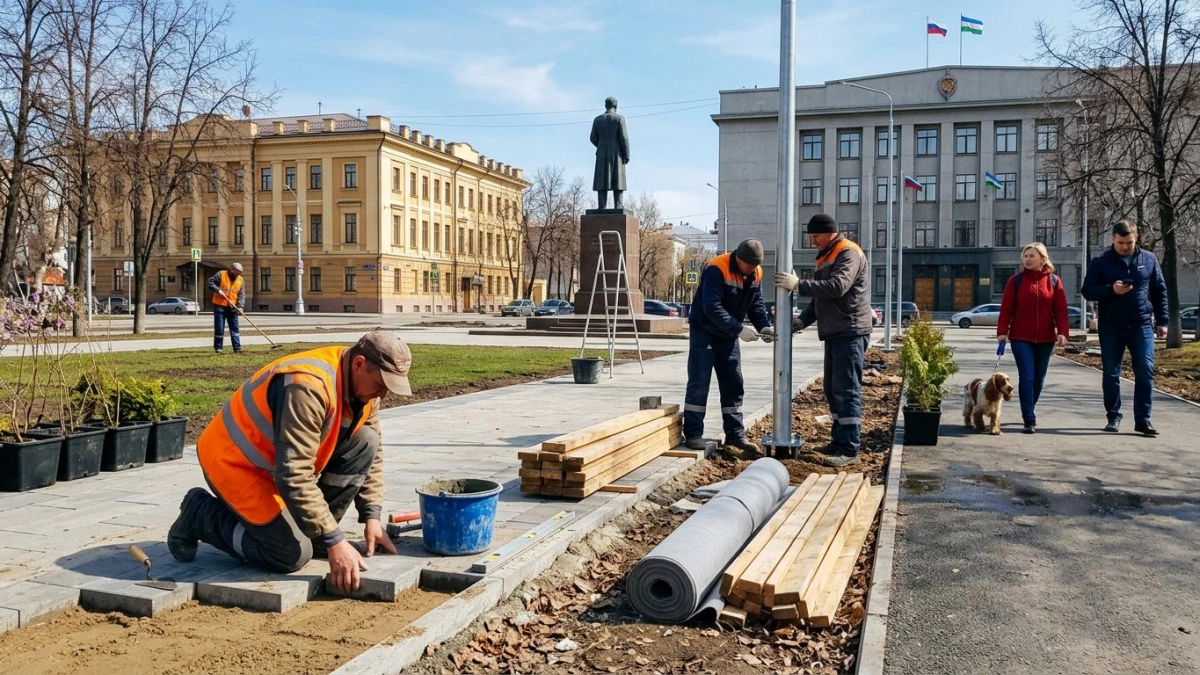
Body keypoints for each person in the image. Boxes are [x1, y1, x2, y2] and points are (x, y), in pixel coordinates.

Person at [167, 331, 412, 594]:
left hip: (278, 467)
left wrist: (371, 516)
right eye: (381, 384)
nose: (384, 395)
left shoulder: (364, 388)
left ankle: (318, 534)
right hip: (236, 464)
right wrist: (335, 541)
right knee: (290, 554)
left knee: (366, 441)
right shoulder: (308, 386)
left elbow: (372, 453)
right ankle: (200, 514)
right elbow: (294, 476)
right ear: (359, 364)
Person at [775, 214, 872, 467]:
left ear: (829, 233)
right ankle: (839, 441)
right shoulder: (826, 255)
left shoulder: (847, 252)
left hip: (850, 330)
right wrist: (801, 322)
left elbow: (837, 287)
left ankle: (849, 448)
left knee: (847, 390)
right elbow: (821, 299)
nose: (812, 240)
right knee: (832, 388)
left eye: (815, 236)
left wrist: (799, 285)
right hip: (836, 331)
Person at [683, 238, 774, 458]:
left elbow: (756, 304)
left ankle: (735, 434)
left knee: (733, 381)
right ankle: (693, 434)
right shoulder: (717, 267)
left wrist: (764, 326)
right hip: (704, 330)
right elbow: (711, 307)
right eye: (749, 266)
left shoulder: (755, 273)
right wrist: (739, 329)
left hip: (728, 334)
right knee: (699, 381)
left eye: (755, 266)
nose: (752, 270)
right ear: (739, 259)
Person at [1081, 219, 1168, 436]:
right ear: (1113, 239)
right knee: (1111, 373)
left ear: (1136, 238)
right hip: (1111, 327)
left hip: (1141, 325)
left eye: (1129, 242)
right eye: (1121, 242)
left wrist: (1163, 321)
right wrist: (1112, 289)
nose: (1125, 247)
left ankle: (1143, 420)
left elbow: (1159, 290)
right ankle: (1113, 416)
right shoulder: (1101, 262)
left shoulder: (1148, 259)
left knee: (1145, 370)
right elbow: (1088, 290)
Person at [996, 243, 1070, 434]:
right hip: (1021, 337)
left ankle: (1029, 407)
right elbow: (1006, 309)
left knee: (1039, 380)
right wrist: (1002, 331)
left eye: (1032, 256)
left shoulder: (1054, 281)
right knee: (1027, 377)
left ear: (1043, 259)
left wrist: (1062, 332)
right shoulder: (1016, 281)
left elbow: (1060, 310)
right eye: (1025, 256)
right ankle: (1028, 418)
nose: (1027, 259)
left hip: (1046, 339)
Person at [590, 96, 630, 210]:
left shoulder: (597, 120)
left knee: (602, 179)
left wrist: (602, 145)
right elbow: (624, 137)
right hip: (617, 154)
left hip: (601, 153)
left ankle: (601, 206)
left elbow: (592, 137)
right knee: (618, 179)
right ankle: (618, 205)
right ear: (616, 106)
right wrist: (626, 154)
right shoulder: (619, 118)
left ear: (605, 105)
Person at [208, 262, 245, 354]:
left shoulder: (240, 280)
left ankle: (237, 348)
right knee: (219, 328)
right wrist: (218, 290)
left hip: (233, 307)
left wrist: (240, 307)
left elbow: (241, 294)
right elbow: (210, 282)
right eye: (236, 272)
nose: (237, 274)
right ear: (232, 269)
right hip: (220, 306)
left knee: (235, 328)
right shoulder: (221, 274)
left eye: (239, 273)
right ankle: (218, 348)